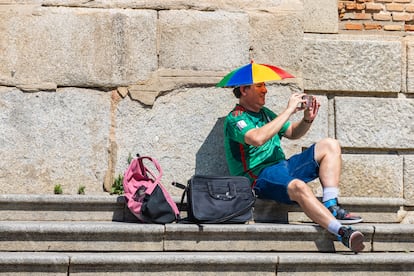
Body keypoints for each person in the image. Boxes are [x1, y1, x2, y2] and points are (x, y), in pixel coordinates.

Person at [223, 82, 365, 253]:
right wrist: (289, 110)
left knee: (330, 145)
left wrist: (307, 119)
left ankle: (331, 205)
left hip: (284, 166)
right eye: (259, 86)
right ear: (244, 90)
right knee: (298, 186)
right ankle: (341, 232)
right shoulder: (235, 118)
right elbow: (257, 138)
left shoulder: (265, 114)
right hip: (260, 176)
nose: (265, 90)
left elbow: (292, 132)